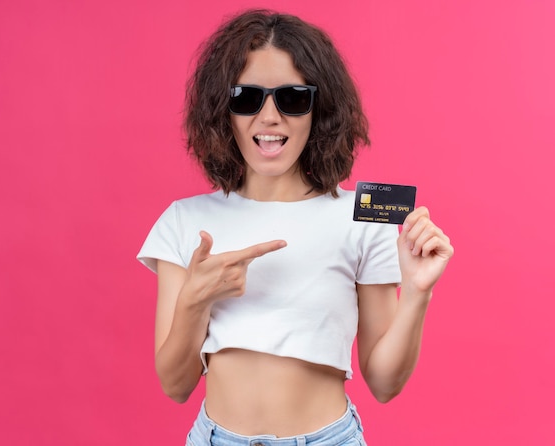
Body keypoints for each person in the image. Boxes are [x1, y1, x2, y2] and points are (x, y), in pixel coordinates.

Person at [138, 9, 453, 445]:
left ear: (318, 109)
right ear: (222, 110)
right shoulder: (185, 220)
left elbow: (384, 383)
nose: (269, 117)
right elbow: (176, 386)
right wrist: (195, 299)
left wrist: (418, 293)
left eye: (291, 98)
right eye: (246, 98)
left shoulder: (362, 219)